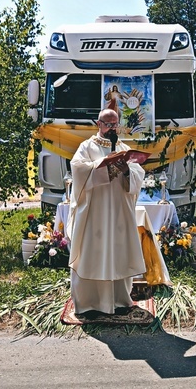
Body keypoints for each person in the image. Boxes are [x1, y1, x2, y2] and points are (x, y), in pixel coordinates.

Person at [67, 108, 146, 318]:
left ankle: (120, 300)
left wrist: (128, 169)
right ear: (98, 124)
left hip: (119, 213)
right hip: (95, 213)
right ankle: (90, 302)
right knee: (93, 253)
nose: (112, 128)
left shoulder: (123, 147)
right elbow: (78, 168)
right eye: (108, 124)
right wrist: (103, 167)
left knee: (118, 253)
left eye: (115, 124)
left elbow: (138, 174)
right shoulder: (87, 146)